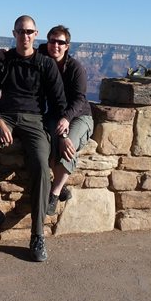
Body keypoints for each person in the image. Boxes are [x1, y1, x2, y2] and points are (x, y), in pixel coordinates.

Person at [0, 15, 67, 262]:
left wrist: (62, 133)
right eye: (21, 31)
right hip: (5, 117)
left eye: (29, 32)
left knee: (39, 161)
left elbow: (59, 103)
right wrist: (0, 122)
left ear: (36, 35)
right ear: (13, 33)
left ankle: (37, 235)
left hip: (34, 120)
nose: (25, 36)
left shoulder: (45, 64)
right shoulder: (3, 60)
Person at [39, 25, 94, 216]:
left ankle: (53, 195)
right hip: (55, 115)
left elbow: (79, 99)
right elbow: (23, 51)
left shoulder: (75, 68)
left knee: (68, 143)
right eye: (52, 41)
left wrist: (66, 119)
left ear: (67, 46)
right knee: (48, 145)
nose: (55, 45)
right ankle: (61, 187)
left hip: (79, 116)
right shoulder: (43, 57)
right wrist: (3, 52)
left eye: (60, 42)